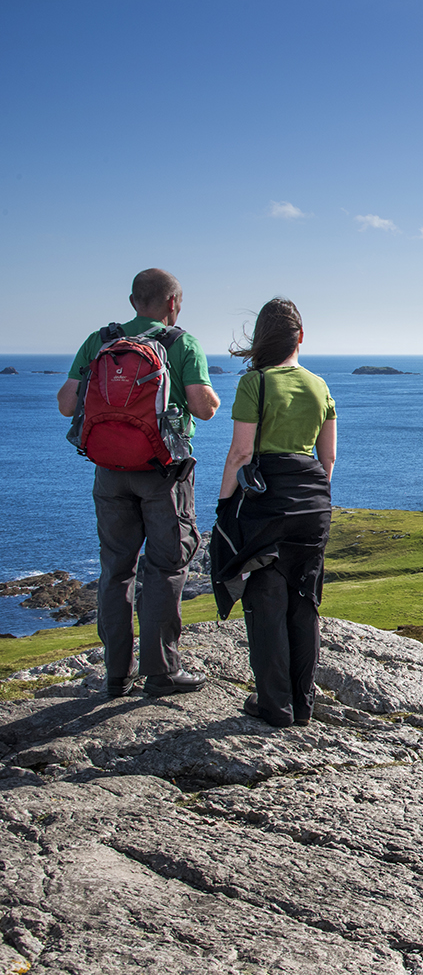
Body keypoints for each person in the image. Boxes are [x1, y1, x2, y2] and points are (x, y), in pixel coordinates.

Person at [57, 268, 220, 699]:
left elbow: (66, 404)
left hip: (109, 472)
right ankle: (162, 672)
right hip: (162, 473)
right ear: (173, 303)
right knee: (166, 568)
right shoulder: (181, 342)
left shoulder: (100, 341)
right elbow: (203, 409)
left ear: (133, 301)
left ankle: (116, 673)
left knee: (116, 571)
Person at [212, 299, 336, 728]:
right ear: (301, 337)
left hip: (268, 502)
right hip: (314, 500)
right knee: (306, 602)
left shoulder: (255, 384)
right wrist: (317, 503)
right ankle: (303, 706)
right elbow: (330, 457)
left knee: (266, 599)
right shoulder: (319, 385)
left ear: (259, 339)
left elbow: (241, 452)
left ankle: (274, 706)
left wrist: (225, 504)